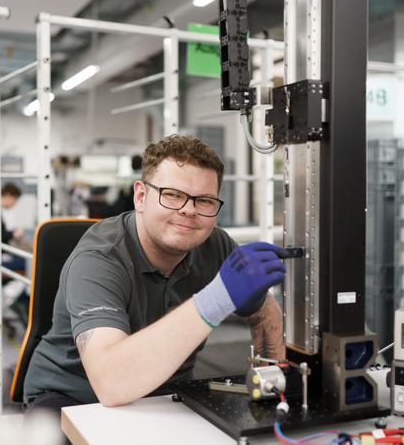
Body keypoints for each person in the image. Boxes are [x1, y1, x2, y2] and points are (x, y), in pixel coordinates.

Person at [23, 135, 287, 419]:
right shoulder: (99, 259)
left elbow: (265, 312)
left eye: (205, 200)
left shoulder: (216, 246)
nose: (188, 210)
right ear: (140, 196)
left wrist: (271, 387)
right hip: (72, 397)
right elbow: (110, 383)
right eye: (172, 194)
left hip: (166, 395)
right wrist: (218, 297)